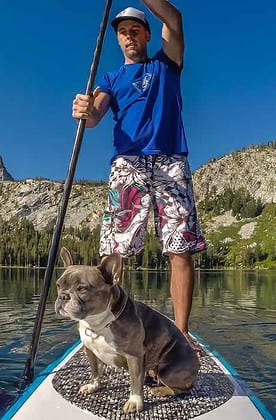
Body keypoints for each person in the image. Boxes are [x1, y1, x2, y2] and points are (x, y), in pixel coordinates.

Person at [71, 1, 205, 342]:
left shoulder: (167, 64)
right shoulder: (111, 79)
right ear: (117, 40)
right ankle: (107, 326)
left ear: (146, 34)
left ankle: (181, 333)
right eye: (122, 32)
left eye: (135, 30)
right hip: (128, 163)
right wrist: (84, 110)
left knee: (180, 247)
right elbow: (95, 116)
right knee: (114, 251)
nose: (128, 36)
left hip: (170, 160)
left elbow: (174, 19)